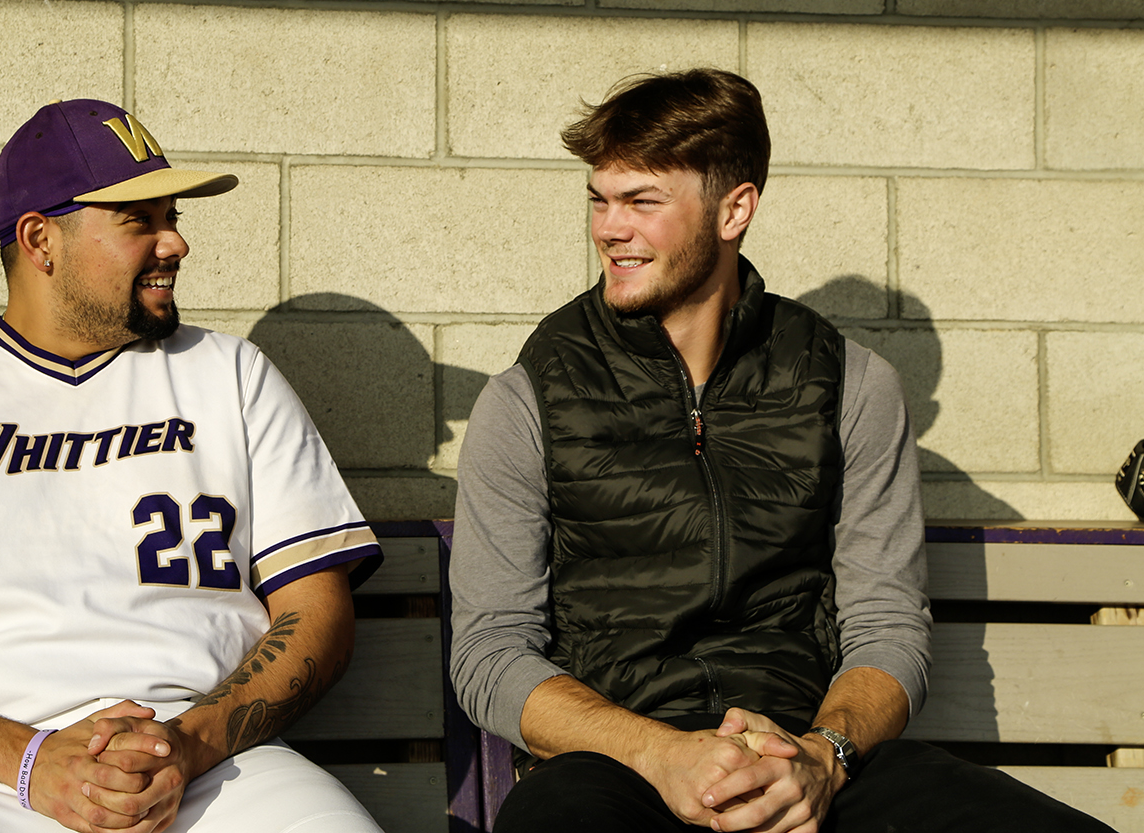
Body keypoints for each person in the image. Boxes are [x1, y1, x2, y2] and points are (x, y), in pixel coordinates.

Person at [448, 69, 1111, 833]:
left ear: (735, 209)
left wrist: (823, 758)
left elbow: (886, 627)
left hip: (806, 757)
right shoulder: (528, 397)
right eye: (600, 198)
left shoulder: (852, 386)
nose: (608, 228)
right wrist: (666, 754)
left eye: (642, 201)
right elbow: (491, 655)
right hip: (615, 771)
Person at [0, 99, 385, 833]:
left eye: (173, 216)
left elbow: (318, 613)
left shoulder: (231, 375)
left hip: (210, 765)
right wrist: (33, 763)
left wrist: (187, 744)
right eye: (138, 220)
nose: (175, 242)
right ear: (40, 240)